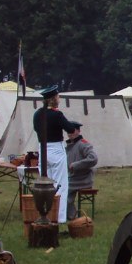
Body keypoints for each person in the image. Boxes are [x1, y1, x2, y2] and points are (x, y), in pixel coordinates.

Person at [32, 86, 72, 225]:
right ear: (53, 99)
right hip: (56, 149)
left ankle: (45, 214)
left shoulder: (37, 114)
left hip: (43, 148)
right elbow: (70, 128)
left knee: (45, 185)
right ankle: (59, 217)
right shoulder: (57, 114)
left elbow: (36, 129)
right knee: (60, 185)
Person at [64, 121, 98, 220]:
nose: (70, 133)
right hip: (73, 178)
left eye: (72, 131)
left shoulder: (83, 144)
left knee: (63, 192)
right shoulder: (70, 145)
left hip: (83, 179)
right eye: (68, 131)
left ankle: (72, 216)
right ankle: (70, 215)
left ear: (78, 131)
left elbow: (93, 159)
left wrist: (76, 165)